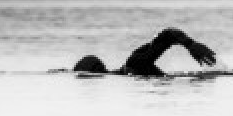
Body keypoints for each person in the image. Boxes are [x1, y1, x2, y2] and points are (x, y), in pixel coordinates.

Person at [73, 28, 217, 76]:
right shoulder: (132, 63)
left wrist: (190, 44)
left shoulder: (134, 63)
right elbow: (166, 35)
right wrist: (190, 44)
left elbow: (167, 35)